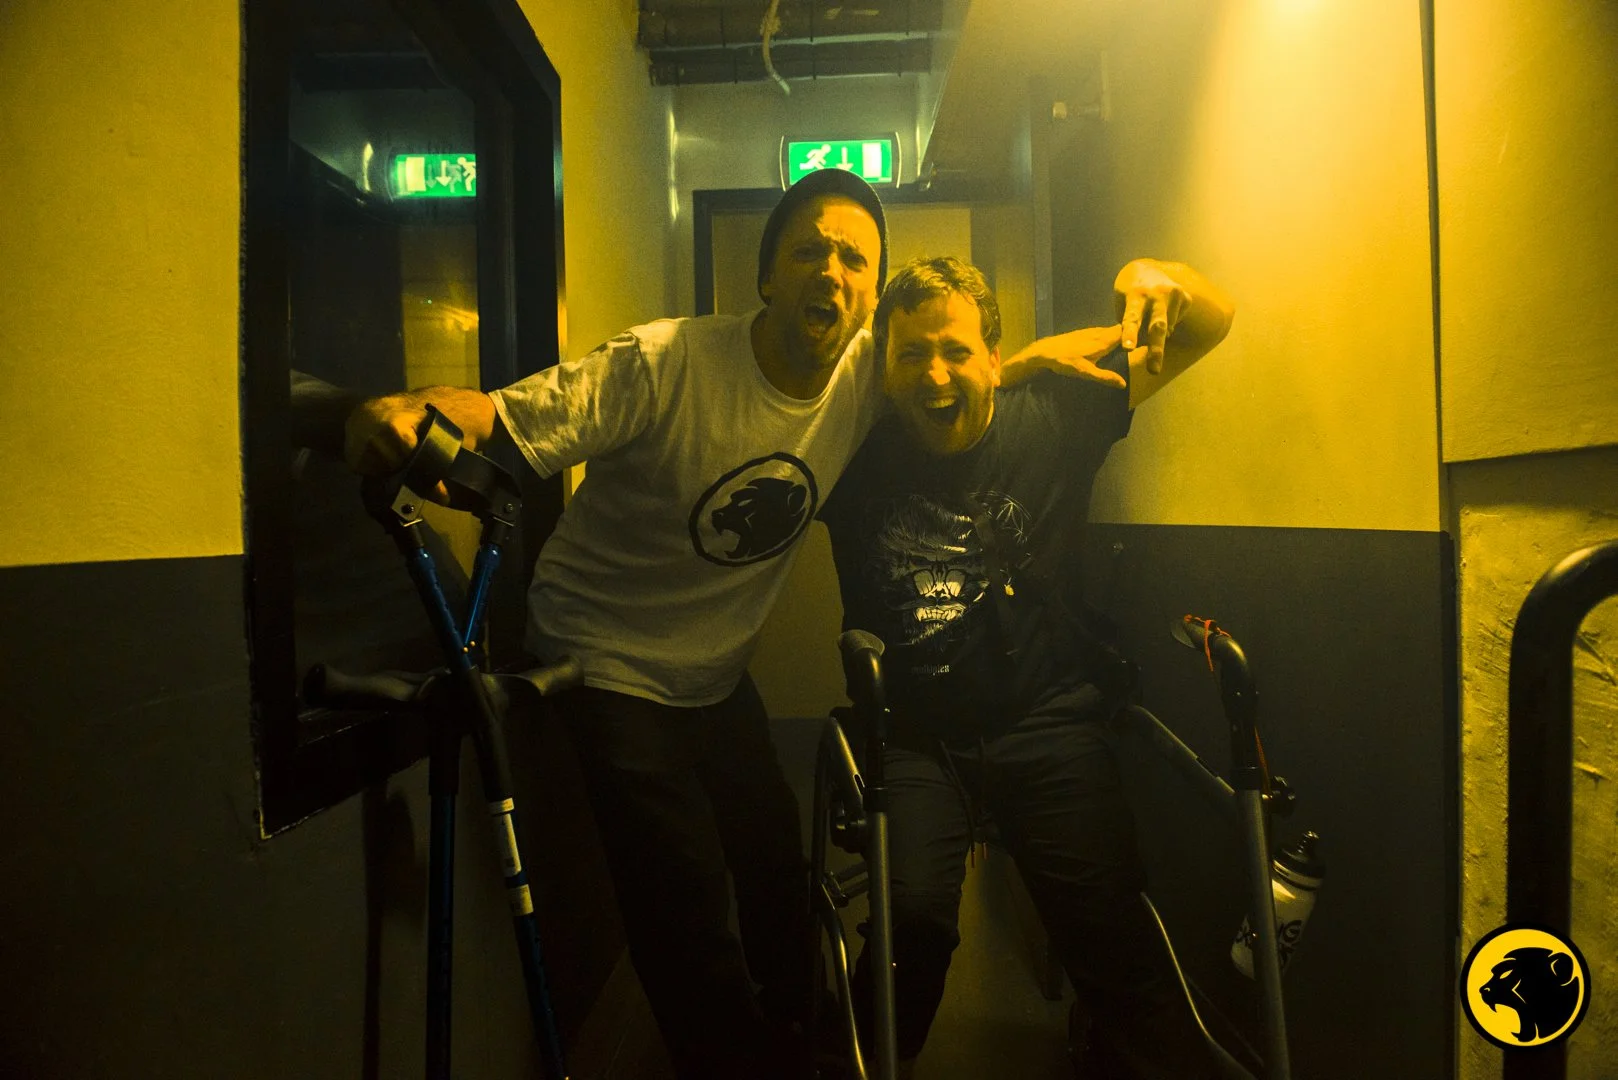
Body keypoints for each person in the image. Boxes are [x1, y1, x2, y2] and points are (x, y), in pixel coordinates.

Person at [819, 254, 1236, 1078]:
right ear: (884, 371)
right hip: (914, 736)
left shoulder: (1056, 415)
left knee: (1108, 926)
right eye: (910, 355)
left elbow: (1211, 324)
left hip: (1045, 718)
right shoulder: (848, 447)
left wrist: (1154, 274)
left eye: (956, 350)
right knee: (912, 926)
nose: (935, 374)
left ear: (994, 358)